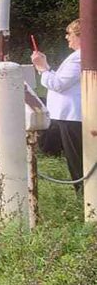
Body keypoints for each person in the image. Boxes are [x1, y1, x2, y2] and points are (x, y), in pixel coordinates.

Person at [31, 19, 82, 193]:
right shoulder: (79, 56)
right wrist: (45, 67)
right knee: (73, 157)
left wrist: (42, 68)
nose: (67, 37)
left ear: (80, 36)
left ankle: (84, 195)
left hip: (73, 116)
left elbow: (59, 84)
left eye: (70, 34)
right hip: (68, 115)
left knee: (77, 159)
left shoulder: (80, 57)